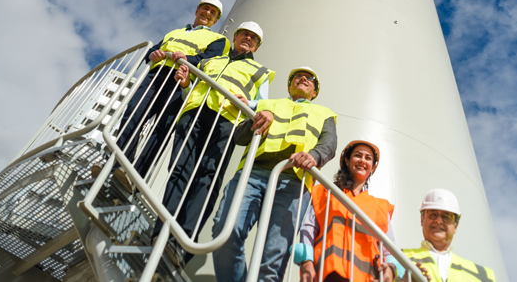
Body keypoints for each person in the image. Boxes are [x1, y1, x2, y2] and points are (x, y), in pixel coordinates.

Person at [157, 21, 275, 257]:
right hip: (194, 114)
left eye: (253, 38)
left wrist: (248, 102)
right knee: (179, 170)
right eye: (244, 34)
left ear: (257, 46)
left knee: (208, 178)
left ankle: (183, 244)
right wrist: (186, 83)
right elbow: (192, 87)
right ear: (235, 36)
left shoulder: (261, 71)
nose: (248, 39)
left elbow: (261, 103)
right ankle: (160, 235)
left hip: (226, 122)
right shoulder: (211, 60)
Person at [212, 67, 337, 282]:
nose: (304, 79)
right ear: (289, 86)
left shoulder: (325, 113)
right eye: (298, 77)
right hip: (254, 173)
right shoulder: (265, 104)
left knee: (273, 259)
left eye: (310, 80)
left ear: (314, 92)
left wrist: (314, 155)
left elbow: (329, 144)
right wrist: (255, 120)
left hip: (294, 182)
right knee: (225, 231)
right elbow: (239, 138)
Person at [106, 0, 229, 189]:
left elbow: (210, 61)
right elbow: (155, 48)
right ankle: (117, 167)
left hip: (180, 79)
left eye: (213, 13)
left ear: (216, 20)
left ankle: (134, 178)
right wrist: (152, 54)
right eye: (205, 9)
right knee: (133, 115)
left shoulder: (219, 40)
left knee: (162, 128)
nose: (208, 14)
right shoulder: (175, 32)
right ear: (197, 11)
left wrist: (188, 58)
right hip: (156, 75)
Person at [293, 139, 403, 282]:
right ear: (347, 160)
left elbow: (389, 249)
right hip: (326, 275)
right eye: (358, 155)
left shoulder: (380, 207)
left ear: (373, 168)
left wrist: (390, 271)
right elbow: (308, 229)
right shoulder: (326, 192)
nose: (363, 160)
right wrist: (307, 264)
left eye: (368, 158)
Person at [400, 189, 496, 282]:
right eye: (433, 214)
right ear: (422, 219)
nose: (439, 220)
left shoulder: (483, 275)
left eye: (446, 217)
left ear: (455, 226)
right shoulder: (397, 256)